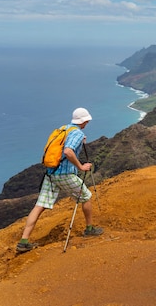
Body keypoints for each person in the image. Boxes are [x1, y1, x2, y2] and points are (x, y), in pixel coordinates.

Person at [16, 107, 104, 253]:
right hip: (65, 174)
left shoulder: (64, 129)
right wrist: (81, 166)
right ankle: (89, 229)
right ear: (84, 121)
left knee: (40, 205)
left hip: (51, 174)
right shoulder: (76, 133)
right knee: (86, 196)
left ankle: (23, 241)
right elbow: (68, 151)